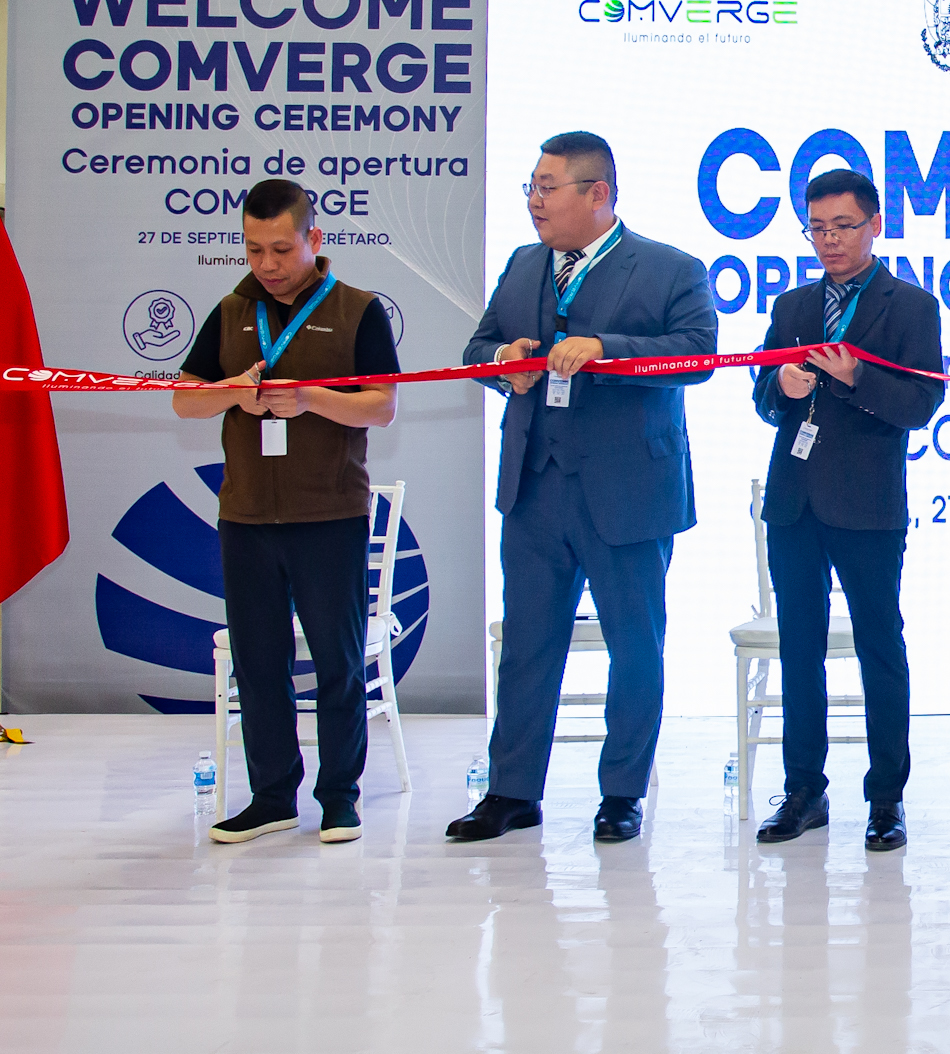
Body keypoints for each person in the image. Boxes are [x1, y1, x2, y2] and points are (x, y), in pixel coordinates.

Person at [448, 131, 717, 844]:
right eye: (530, 187)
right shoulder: (522, 264)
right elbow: (476, 350)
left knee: (635, 647)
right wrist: (501, 361)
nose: (534, 201)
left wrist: (606, 350)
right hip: (535, 488)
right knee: (527, 646)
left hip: (627, 492)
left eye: (547, 187)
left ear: (598, 193)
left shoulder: (669, 268)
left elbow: (698, 355)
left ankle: (621, 793)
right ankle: (512, 791)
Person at [173, 178, 400, 846]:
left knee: (337, 661)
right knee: (258, 663)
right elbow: (186, 400)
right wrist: (231, 391)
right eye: (253, 249)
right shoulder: (230, 309)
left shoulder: (358, 310)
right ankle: (272, 796)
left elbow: (382, 406)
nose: (267, 264)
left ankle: (339, 798)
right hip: (245, 517)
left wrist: (308, 398)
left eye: (280, 248)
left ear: (313, 239)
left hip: (329, 515)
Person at [750, 169, 944, 851]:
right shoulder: (793, 305)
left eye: (843, 226)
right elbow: (762, 400)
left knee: (878, 645)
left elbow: (921, 405)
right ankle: (804, 789)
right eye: (818, 229)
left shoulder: (911, 306)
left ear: (875, 225)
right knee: (799, 647)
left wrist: (856, 376)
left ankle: (886, 796)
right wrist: (779, 384)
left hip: (867, 502)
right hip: (794, 500)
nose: (829, 240)